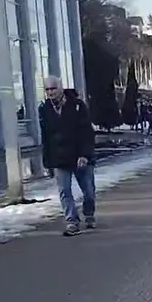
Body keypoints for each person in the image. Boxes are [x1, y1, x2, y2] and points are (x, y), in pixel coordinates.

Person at [39, 75, 96, 236]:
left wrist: (84, 155)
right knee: (64, 191)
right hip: (60, 158)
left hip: (80, 157)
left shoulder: (77, 105)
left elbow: (86, 132)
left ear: (61, 88)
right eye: (47, 89)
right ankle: (72, 221)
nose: (50, 92)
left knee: (89, 191)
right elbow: (46, 138)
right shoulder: (44, 109)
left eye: (53, 88)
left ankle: (89, 214)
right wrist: (47, 162)